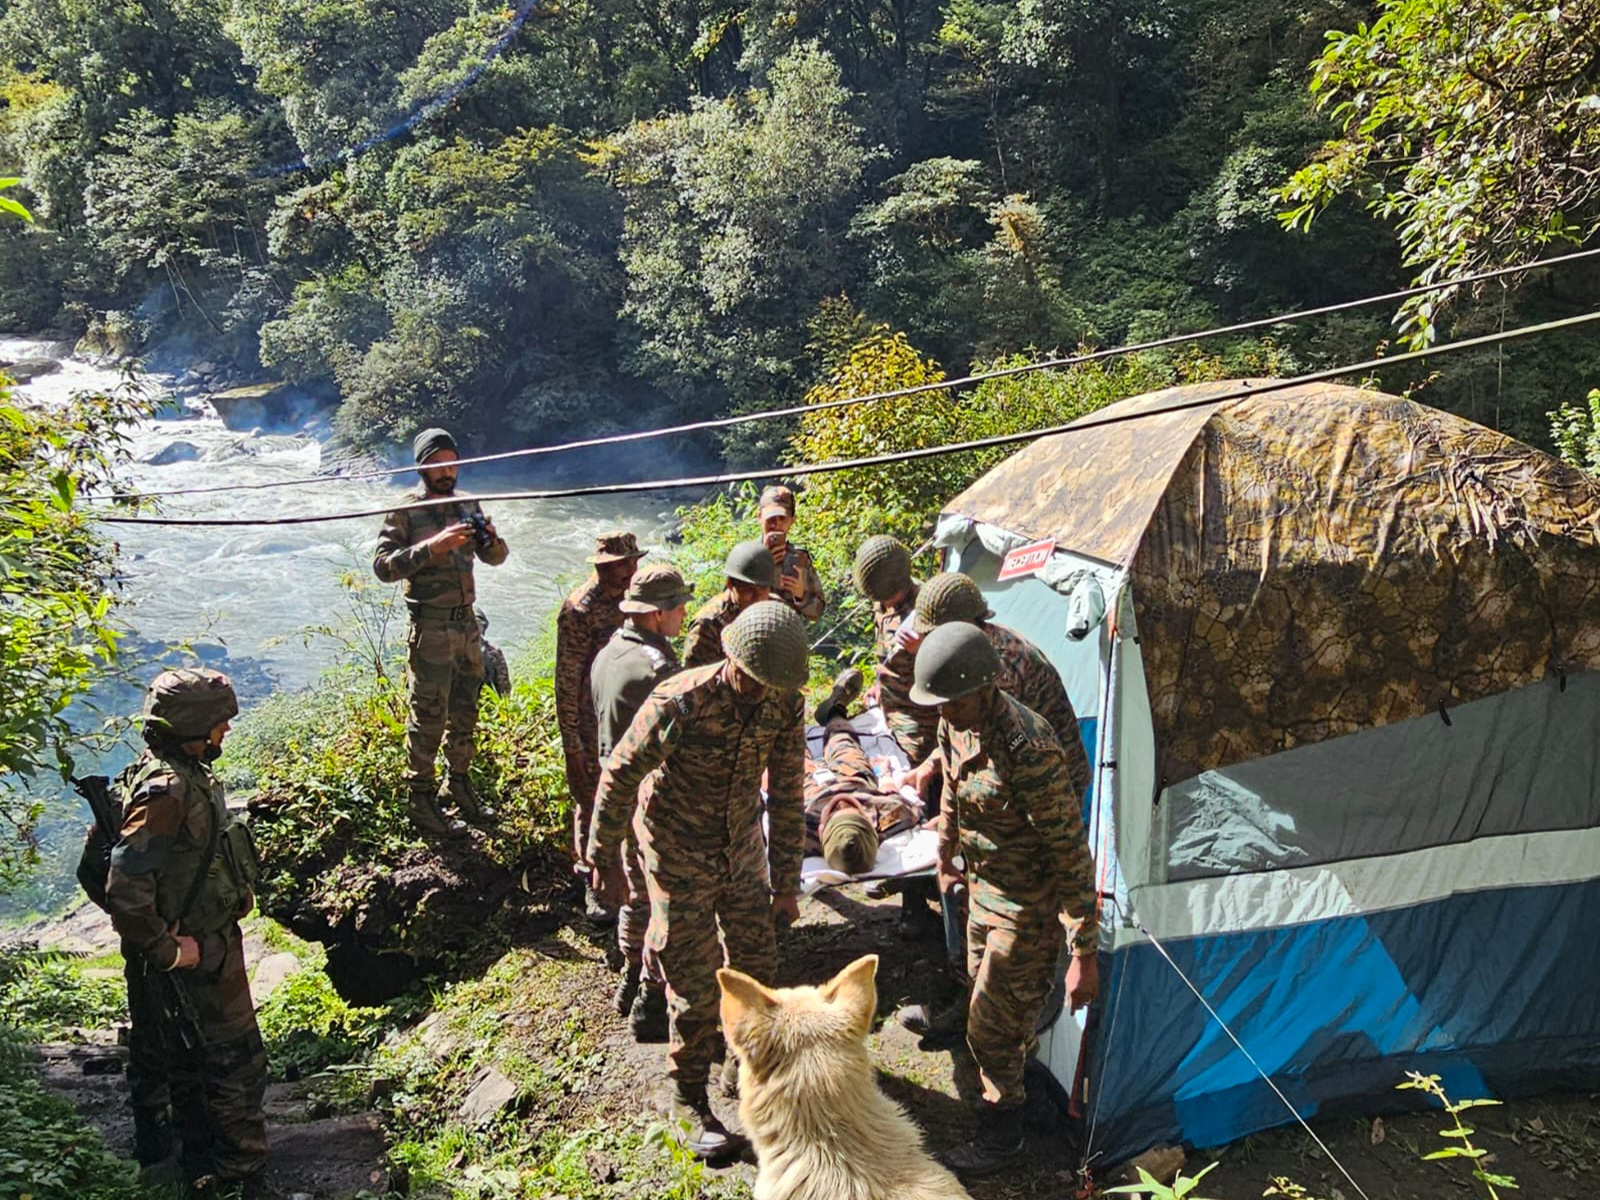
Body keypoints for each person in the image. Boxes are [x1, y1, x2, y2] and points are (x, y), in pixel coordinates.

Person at [588, 601, 809, 1162]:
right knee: (695, 979)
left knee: (759, 965)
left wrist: (785, 884)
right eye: (754, 681)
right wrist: (604, 860)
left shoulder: (784, 702)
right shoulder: (681, 701)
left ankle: (746, 1064)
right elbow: (619, 774)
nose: (762, 693)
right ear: (731, 659)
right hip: (675, 845)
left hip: (739, 844)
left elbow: (786, 794)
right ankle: (687, 1096)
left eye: (772, 685)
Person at [909, 624, 1099, 1178]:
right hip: (985, 892)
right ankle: (1031, 1094)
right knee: (988, 1007)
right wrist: (945, 855)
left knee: (989, 1028)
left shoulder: (1029, 748)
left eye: (952, 699)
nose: (944, 711)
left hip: (1029, 907)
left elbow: (1070, 851)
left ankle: (1001, 1139)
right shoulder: (956, 719)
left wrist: (1083, 953)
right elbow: (950, 782)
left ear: (983, 686)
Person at [104, 668, 268, 1194]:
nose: (226, 731)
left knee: (191, 1061)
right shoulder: (167, 790)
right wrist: (169, 952)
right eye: (219, 722)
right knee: (235, 1062)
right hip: (197, 952)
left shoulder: (182, 772)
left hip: (206, 941)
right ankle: (240, 1176)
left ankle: (196, 1162)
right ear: (192, 726)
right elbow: (125, 887)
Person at [373, 427, 508, 836]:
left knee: (466, 710)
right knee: (429, 714)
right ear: (422, 466)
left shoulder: (467, 503)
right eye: (437, 462)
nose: (447, 470)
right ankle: (421, 798)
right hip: (430, 627)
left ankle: (460, 784)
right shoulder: (405, 511)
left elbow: (497, 559)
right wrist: (436, 545)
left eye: (452, 461)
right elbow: (383, 567)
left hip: (467, 625)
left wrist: (490, 538)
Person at [586, 563, 694, 1042]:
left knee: (633, 890)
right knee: (660, 895)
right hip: (649, 795)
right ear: (656, 614)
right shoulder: (659, 670)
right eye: (678, 607)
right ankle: (652, 985)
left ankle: (629, 977)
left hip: (614, 785)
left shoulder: (608, 653)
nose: (685, 613)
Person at [556, 531, 648, 921]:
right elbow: (566, 678)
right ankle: (594, 882)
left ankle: (629, 876)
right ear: (601, 566)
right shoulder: (580, 610)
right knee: (592, 802)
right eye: (619, 566)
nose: (628, 571)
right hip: (592, 725)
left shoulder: (635, 599)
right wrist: (572, 743)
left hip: (627, 714)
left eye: (631, 563)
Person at [805, 668, 922, 877]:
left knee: (788, 750)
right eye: (852, 809)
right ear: (872, 824)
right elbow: (893, 794)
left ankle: (789, 714)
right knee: (842, 739)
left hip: (810, 793)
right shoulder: (893, 815)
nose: (841, 801)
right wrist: (884, 774)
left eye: (835, 811)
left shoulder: (796, 834)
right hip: (855, 779)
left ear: (821, 832)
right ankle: (835, 710)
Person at [852, 536, 939, 768]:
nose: (883, 601)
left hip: (920, 718)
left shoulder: (928, 607)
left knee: (909, 775)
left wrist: (922, 649)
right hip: (888, 711)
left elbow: (952, 669)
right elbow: (885, 652)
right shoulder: (881, 605)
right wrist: (879, 684)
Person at [682, 539, 776, 668]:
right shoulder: (708, 624)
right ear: (730, 584)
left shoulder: (775, 610)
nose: (757, 598)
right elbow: (694, 680)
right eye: (749, 589)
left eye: (763, 589)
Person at [757, 484, 825, 622]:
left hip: (788, 637)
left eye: (782, 519)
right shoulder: (746, 556)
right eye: (771, 518)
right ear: (760, 517)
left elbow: (816, 613)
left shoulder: (799, 558)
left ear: (792, 521)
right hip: (751, 633)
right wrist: (760, 567)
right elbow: (730, 602)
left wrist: (801, 595)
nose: (776, 525)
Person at [476, 609, 511, 698]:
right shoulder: (453, 652)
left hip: (488, 702)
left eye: (478, 624)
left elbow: (504, 687)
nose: (475, 629)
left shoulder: (494, 653)